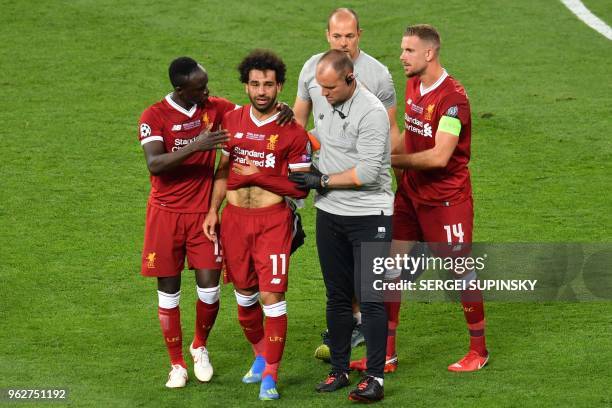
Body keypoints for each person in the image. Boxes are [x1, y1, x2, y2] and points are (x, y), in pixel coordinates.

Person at [137, 57, 293, 388]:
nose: (207, 92)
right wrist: (199, 144)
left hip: (202, 215)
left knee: (210, 291)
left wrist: (284, 106)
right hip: (164, 214)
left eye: (206, 85)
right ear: (180, 89)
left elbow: (254, 110)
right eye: (199, 88)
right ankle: (176, 364)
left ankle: (199, 346)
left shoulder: (214, 108)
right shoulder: (153, 116)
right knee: (169, 293)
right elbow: (155, 163)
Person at [293, 7, 402, 370]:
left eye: (350, 36)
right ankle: (341, 364)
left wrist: (322, 178)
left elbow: (381, 149)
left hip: (367, 205)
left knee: (370, 295)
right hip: (330, 206)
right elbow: (301, 124)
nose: (344, 41)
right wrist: (298, 166)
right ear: (328, 36)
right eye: (337, 36)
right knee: (338, 293)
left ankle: (377, 371)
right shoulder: (313, 68)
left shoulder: (377, 83)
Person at [203, 49, 311, 400]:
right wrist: (212, 211)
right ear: (245, 87)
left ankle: (271, 376)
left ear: (280, 86)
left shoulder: (293, 133)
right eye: (254, 84)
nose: (261, 91)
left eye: (268, 84)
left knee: (271, 296)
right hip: (233, 221)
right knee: (245, 296)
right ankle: (261, 356)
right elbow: (223, 169)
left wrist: (261, 175)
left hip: (272, 223)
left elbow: (300, 189)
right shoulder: (231, 121)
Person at [390, 24, 489, 372]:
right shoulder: (413, 82)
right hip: (410, 194)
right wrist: (392, 160)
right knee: (390, 268)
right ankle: (386, 353)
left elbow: (438, 157)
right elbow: (408, 134)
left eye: (408, 50)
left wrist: (389, 161)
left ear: (429, 53)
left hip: (446, 200)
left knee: (460, 272)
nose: (401, 56)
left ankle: (479, 350)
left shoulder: (453, 99)